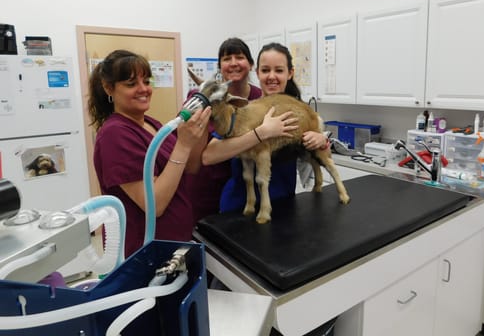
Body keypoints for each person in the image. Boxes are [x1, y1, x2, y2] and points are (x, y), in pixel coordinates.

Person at [88, 49, 211, 258]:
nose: (143, 89)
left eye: (146, 81)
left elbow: (190, 166)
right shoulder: (114, 135)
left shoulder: (151, 123)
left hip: (173, 244)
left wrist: (199, 131)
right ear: (109, 88)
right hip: (144, 252)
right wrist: (182, 144)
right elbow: (155, 204)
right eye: (131, 84)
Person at [202, 42, 329, 212]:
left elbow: (318, 158)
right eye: (265, 70)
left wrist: (321, 140)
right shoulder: (241, 110)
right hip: (239, 207)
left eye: (279, 70)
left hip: (285, 204)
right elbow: (208, 156)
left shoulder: (298, 112)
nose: (271, 76)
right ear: (258, 73)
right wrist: (261, 133)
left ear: (290, 73)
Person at [185, 38, 266, 223]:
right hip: (205, 185)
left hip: (243, 187)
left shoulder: (260, 98)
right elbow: (187, 141)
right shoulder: (200, 97)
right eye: (227, 58)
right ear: (220, 66)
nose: (234, 63)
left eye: (240, 57)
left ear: (251, 64)